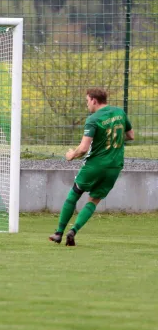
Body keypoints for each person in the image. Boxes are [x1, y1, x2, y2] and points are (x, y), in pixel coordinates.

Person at [49, 88, 133, 246]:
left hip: (95, 165)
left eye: (87, 101)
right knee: (94, 200)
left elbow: (83, 149)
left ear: (94, 100)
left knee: (75, 193)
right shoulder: (120, 112)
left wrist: (71, 155)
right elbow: (131, 136)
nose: (87, 104)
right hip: (115, 166)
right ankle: (73, 231)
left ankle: (59, 232)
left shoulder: (93, 119)